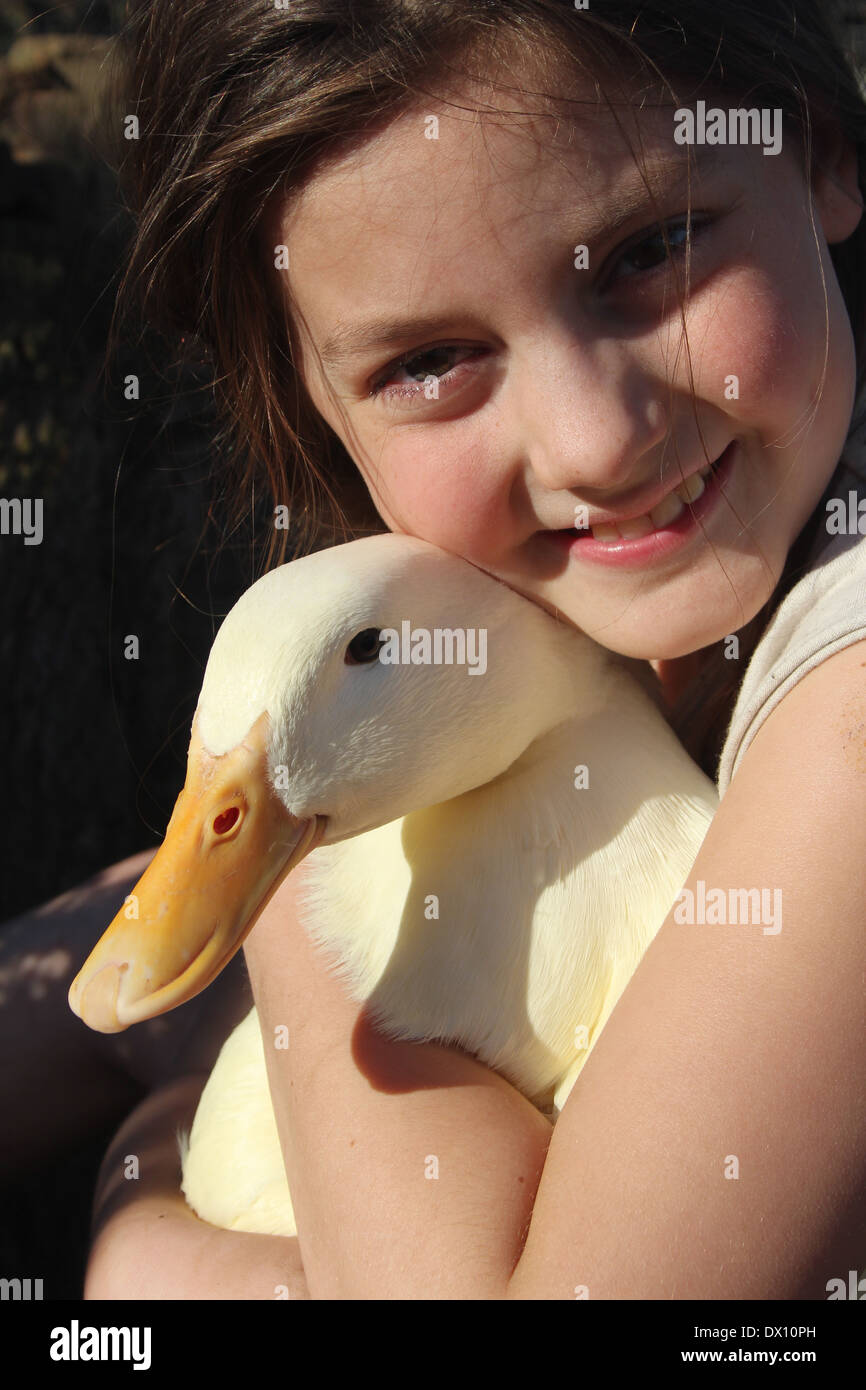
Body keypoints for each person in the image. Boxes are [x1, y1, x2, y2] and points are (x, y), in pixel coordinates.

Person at [21, 0, 866, 1297]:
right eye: (431, 360)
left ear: (820, 153)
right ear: (308, 391)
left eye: (655, 246)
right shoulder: (573, 625)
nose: (593, 441)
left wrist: (149, 1219)